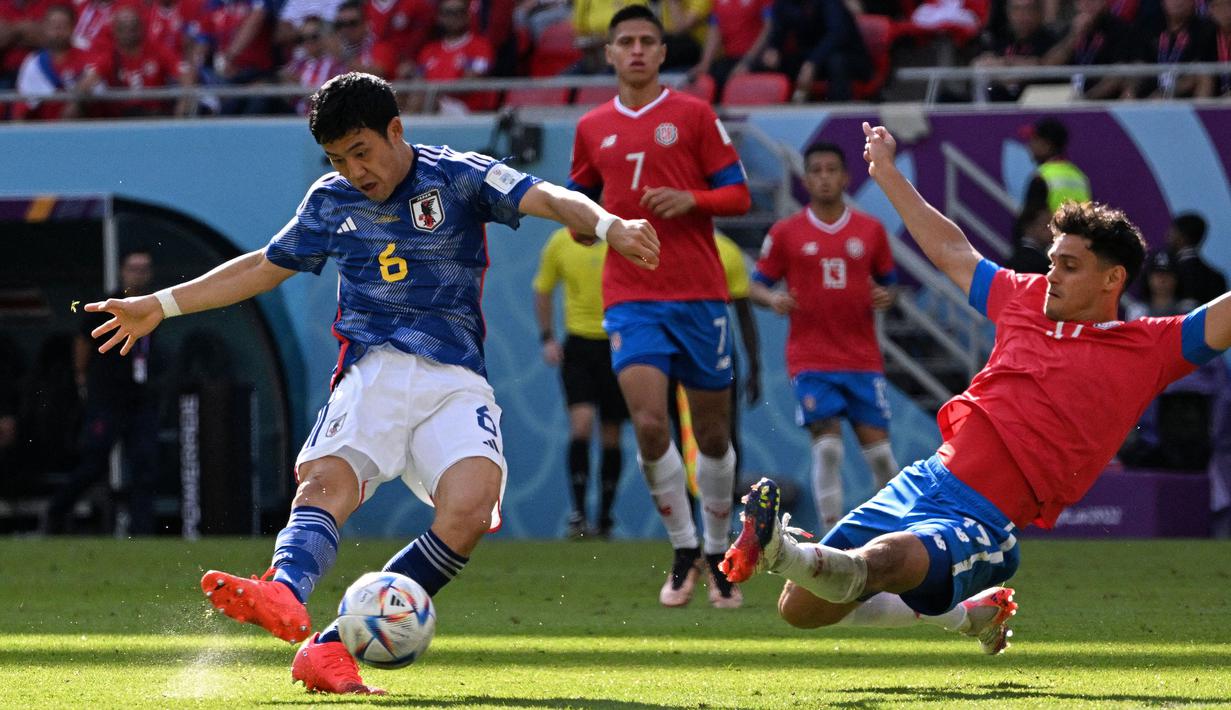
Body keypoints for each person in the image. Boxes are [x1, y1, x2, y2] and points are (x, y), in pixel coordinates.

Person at [85, 72, 659, 695]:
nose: (354, 170)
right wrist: (160, 306)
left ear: (395, 130)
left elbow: (548, 196)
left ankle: (329, 649)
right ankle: (282, 590)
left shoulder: (459, 175)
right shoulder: (330, 200)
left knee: (468, 510)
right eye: (338, 158)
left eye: (361, 151)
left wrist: (610, 227)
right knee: (328, 481)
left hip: (456, 378)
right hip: (375, 367)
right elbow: (263, 265)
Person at [721, 121, 1230, 654]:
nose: (1051, 274)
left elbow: (1220, 320)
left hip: (983, 519)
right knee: (800, 610)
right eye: (1052, 259)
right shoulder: (1026, 296)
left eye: (1069, 266)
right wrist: (889, 173)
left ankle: (779, 549)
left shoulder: (1149, 347)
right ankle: (967, 616)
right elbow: (952, 251)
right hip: (924, 480)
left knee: (888, 559)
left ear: (1113, 280)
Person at [569, 4, 751, 609]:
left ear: (662, 52)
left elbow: (739, 194)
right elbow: (578, 210)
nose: (638, 50)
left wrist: (690, 198)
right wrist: (593, 223)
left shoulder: (695, 115)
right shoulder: (592, 125)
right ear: (611, 54)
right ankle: (682, 547)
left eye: (648, 40)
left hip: (699, 292)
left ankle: (720, 550)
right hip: (631, 296)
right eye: (627, 41)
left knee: (713, 434)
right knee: (649, 423)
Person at [749, 142, 897, 536]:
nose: (825, 177)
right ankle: (830, 540)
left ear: (846, 177)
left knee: (882, 457)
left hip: (863, 358)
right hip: (811, 358)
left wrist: (887, 295)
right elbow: (756, 286)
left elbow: (890, 283)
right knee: (829, 447)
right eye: (816, 170)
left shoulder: (870, 230)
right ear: (806, 178)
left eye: (832, 170)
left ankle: (891, 536)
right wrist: (773, 298)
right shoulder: (786, 232)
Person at [43, 250, 159, 535]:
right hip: (107, 398)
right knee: (93, 463)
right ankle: (55, 514)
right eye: (134, 268)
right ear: (122, 271)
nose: (139, 274)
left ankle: (142, 532)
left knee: (144, 464)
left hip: (139, 399)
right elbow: (82, 341)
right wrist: (81, 377)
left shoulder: (155, 306)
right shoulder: (106, 306)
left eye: (144, 269)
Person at [532, 226, 629, 539]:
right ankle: (578, 515)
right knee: (582, 424)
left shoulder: (621, 237)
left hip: (617, 344)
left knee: (612, 432)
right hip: (579, 347)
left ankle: (605, 518)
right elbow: (543, 288)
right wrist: (547, 336)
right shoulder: (561, 240)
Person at [1013, 117, 1090, 246]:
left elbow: (1029, 218)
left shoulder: (1042, 176)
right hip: (1076, 246)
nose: (1029, 146)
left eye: (1034, 140)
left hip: (1049, 247)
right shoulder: (1079, 176)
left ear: (1047, 145)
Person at [1167, 213, 1229, 307]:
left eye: (1173, 232)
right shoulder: (1217, 278)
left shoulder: (1165, 276)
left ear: (1182, 237)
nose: (1168, 236)